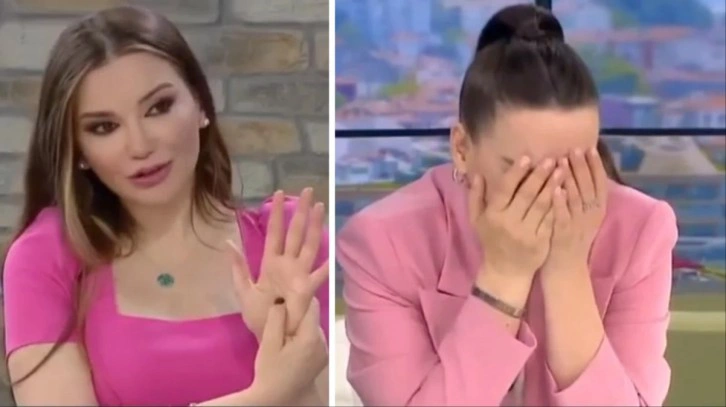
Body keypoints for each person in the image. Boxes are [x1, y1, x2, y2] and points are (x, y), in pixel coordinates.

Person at [337, 4, 677, 407]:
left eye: (574, 167)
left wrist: (566, 269)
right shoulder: (383, 242)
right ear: (462, 148)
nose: (550, 192)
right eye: (524, 171)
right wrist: (504, 274)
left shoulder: (641, 230)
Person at [2, 6, 329, 406]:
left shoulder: (290, 242)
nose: (140, 145)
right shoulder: (47, 256)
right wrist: (268, 395)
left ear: (201, 104)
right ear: (79, 150)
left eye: (158, 107)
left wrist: (284, 343)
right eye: (104, 127)